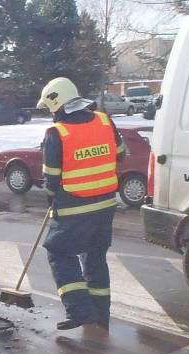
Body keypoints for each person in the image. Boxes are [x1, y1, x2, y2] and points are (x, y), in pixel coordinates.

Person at [37, 77, 126, 330]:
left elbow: (52, 180)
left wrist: (51, 198)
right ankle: (100, 315)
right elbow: (120, 154)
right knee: (96, 257)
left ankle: (79, 310)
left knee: (59, 252)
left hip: (73, 208)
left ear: (58, 103)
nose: (51, 112)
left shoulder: (56, 133)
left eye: (51, 107)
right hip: (106, 206)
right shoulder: (105, 121)